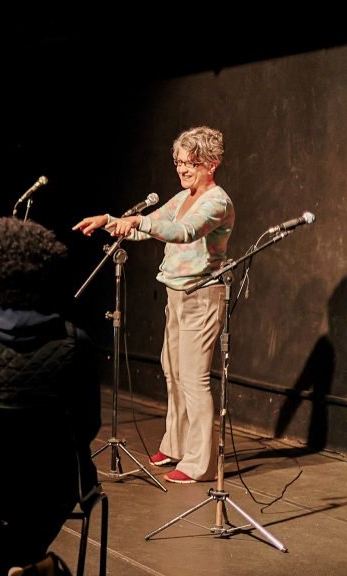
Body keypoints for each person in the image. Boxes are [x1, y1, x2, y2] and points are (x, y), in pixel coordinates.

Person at [72, 125, 235, 484]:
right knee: (172, 370)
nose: (181, 169)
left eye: (189, 163)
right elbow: (151, 226)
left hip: (201, 296)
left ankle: (200, 464)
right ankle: (176, 444)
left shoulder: (216, 202)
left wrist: (138, 221)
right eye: (178, 162)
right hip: (176, 294)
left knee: (193, 378)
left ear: (211, 163)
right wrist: (111, 222)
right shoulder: (183, 197)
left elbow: (183, 232)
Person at [0, 216, 101, 565]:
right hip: (55, 487)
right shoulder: (76, 343)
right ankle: (28, 566)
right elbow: (87, 425)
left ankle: (12, 567)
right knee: (48, 499)